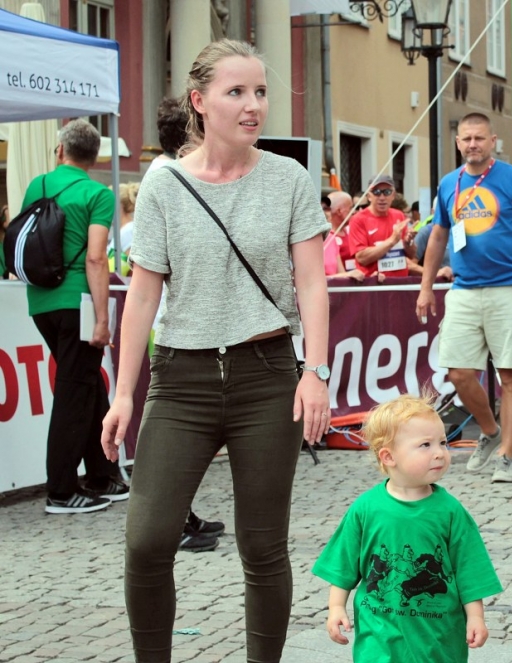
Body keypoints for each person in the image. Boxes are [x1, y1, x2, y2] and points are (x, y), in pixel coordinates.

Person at [100, 39, 331, 661]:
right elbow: (142, 297)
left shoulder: (288, 178)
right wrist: (123, 393)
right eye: (237, 92)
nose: (253, 105)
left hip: (267, 376)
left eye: (260, 92)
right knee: (147, 539)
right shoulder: (164, 185)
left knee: (263, 546)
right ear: (200, 101)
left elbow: (312, 282)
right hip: (182, 378)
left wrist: (315, 371)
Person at [416, 112, 512, 484]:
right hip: (463, 289)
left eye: (479, 138)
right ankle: (491, 431)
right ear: (458, 142)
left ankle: (506, 455)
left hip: (509, 287)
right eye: (466, 138)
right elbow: (438, 237)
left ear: (493, 141)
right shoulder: (450, 183)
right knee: (458, 373)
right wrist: (426, 287)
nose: (472, 144)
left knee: (509, 375)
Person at [312, 394, 503, 662]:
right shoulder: (365, 509)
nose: (439, 452)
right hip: (378, 639)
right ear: (389, 456)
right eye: (425, 445)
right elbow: (343, 567)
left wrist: (475, 617)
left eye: (443, 442)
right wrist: (336, 607)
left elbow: (469, 570)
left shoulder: (450, 511)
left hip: (438, 642)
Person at [21, 119, 128, 514]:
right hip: (78, 302)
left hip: (41, 300)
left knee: (86, 383)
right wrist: (102, 318)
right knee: (73, 390)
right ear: (95, 157)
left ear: (61, 150)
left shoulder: (37, 185)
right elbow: (96, 258)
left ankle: (102, 474)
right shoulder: (98, 194)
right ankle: (62, 490)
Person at [141, 94, 227, 553]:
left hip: (174, 320)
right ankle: (174, 521)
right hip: (173, 326)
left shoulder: (169, 171)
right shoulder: (168, 178)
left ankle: (183, 515)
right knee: (178, 437)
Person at [350, 175, 422, 279]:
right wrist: (392, 241)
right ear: (369, 196)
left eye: (387, 192)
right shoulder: (358, 219)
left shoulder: (399, 215)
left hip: (400, 282)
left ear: (393, 195)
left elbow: (411, 255)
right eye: (376, 192)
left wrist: (408, 242)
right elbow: (361, 258)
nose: (382, 197)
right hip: (374, 283)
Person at [324, 190, 364, 280]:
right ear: (339, 211)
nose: (354, 212)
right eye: (351, 208)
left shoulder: (352, 231)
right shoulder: (326, 238)